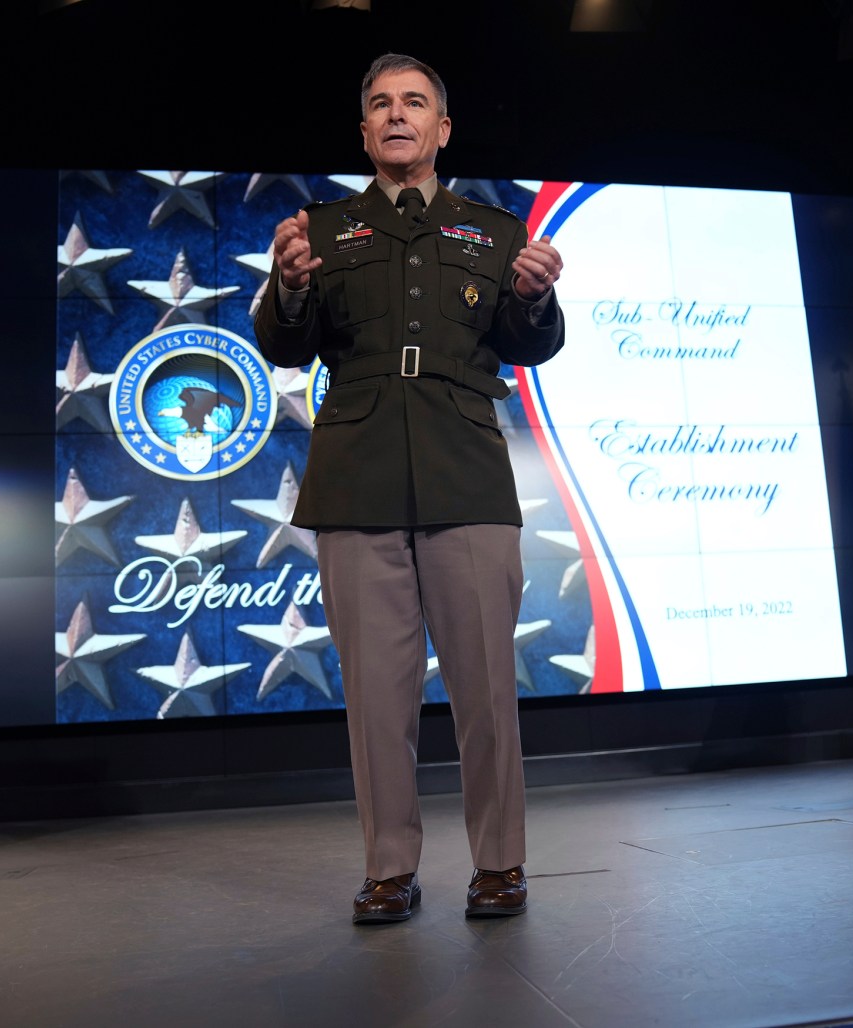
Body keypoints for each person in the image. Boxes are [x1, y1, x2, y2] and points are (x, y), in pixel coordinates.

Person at [254, 53, 565, 923]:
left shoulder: (494, 231)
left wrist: (536, 302)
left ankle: (499, 863)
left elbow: (526, 341)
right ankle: (390, 867)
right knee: (378, 700)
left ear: (441, 129)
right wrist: (284, 285)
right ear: (364, 131)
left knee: (486, 693)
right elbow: (284, 342)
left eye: (415, 103)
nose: (397, 115)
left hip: (466, 477)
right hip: (356, 483)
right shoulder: (320, 227)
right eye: (381, 105)